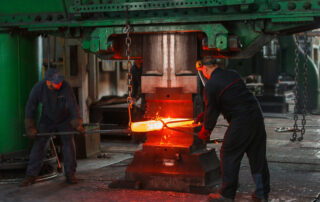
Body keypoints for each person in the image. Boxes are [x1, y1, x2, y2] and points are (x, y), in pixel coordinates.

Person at [195, 57, 270, 202]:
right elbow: (227, 99)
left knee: (228, 152)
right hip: (255, 116)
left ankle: (227, 194)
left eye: (202, 72)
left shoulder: (211, 85)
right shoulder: (232, 74)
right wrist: (203, 115)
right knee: (257, 156)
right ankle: (262, 193)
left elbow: (212, 112)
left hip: (241, 120)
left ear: (204, 69)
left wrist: (205, 131)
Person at [20, 68, 85, 187]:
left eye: (60, 81)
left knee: (69, 144)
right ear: (48, 82)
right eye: (56, 82)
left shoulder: (65, 86)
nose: (59, 84)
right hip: (47, 119)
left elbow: (72, 105)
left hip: (65, 118)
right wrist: (30, 127)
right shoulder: (39, 88)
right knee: (40, 145)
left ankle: (70, 174)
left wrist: (77, 123)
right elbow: (30, 107)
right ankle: (30, 175)